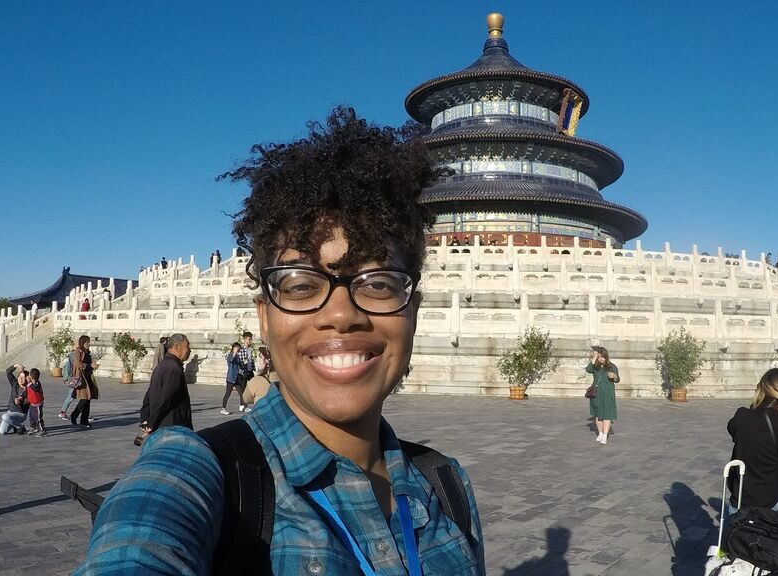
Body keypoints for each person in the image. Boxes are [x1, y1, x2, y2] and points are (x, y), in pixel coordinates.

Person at [78, 107, 485, 574]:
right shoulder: (200, 471)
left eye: (377, 282)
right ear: (265, 318)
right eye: (299, 285)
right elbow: (138, 544)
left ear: (411, 310)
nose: (341, 314)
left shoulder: (446, 487)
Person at [726, 368, 778, 515]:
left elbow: (734, 430)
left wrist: (756, 403)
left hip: (742, 495)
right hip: (774, 494)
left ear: (762, 388)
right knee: (773, 537)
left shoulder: (742, 417)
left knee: (738, 537)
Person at [145, 333, 193, 432]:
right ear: (177, 347)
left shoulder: (163, 365)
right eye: (187, 346)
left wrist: (145, 417)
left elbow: (149, 393)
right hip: (173, 425)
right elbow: (166, 398)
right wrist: (151, 423)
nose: (190, 350)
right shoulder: (173, 368)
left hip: (164, 424)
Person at [586, 346, 618, 444]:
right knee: (598, 416)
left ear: (606, 357)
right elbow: (588, 369)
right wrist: (594, 357)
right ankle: (600, 433)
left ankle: (605, 435)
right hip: (597, 394)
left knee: (607, 415)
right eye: (599, 357)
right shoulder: (595, 367)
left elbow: (617, 379)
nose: (601, 359)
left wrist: (614, 376)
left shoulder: (612, 366)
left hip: (608, 393)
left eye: (603, 357)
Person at [70, 335, 99, 428]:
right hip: (82, 379)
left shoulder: (87, 352)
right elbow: (78, 364)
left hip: (88, 378)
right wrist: (90, 365)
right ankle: (74, 415)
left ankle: (84, 420)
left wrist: (93, 366)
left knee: (88, 400)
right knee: (84, 399)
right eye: (87, 342)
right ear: (83, 343)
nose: (89, 344)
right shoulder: (78, 352)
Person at [1, 364, 30, 435]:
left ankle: (21, 427)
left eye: (23, 377)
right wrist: (16, 365)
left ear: (27, 379)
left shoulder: (28, 389)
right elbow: (8, 372)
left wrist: (20, 402)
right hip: (10, 412)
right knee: (2, 432)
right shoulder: (14, 384)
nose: (21, 379)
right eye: (20, 376)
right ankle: (16, 426)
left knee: (4, 416)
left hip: (21, 414)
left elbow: (27, 403)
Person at [220, 342, 245, 415]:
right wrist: (234, 353)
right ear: (233, 348)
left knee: (241, 393)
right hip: (231, 378)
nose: (238, 350)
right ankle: (223, 408)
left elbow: (240, 365)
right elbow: (231, 360)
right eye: (237, 348)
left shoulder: (237, 357)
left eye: (239, 349)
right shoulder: (230, 356)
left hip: (236, 378)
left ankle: (245, 406)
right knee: (228, 394)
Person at [58, 340, 78, 420]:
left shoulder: (72, 355)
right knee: (71, 396)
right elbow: (68, 367)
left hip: (74, 378)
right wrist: (69, 377)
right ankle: (63, 412)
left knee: (84, 397)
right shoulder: (72, 355)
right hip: (75, 379)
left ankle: (85, 415)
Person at [24, 368, 47, 437]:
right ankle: (33, 427)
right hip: (32, 404)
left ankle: (42, 430)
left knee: (38, 418)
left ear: (31, 377)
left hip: (37, 405)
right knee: (32, 416)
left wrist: (29, 382)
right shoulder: (30, 384)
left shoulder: (36, 384)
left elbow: (34, 388)